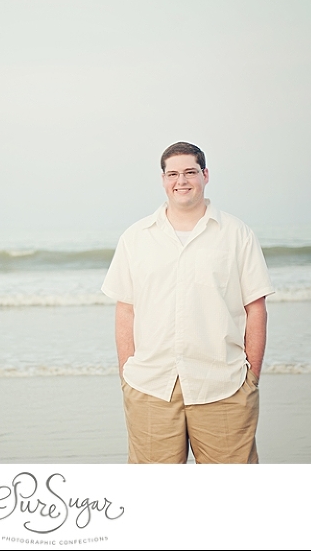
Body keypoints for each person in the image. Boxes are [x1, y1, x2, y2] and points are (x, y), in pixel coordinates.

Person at [101, 142, 274, 464]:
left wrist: (251, 378)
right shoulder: (136, 237)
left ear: (205, 175)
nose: (182, 181)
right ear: (163, 180)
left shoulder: (237, 234)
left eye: (190, 172)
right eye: (173, 174)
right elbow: (126, 309)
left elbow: (256, 307)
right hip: (150, 386)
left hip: (223, 385)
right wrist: (127, 373)